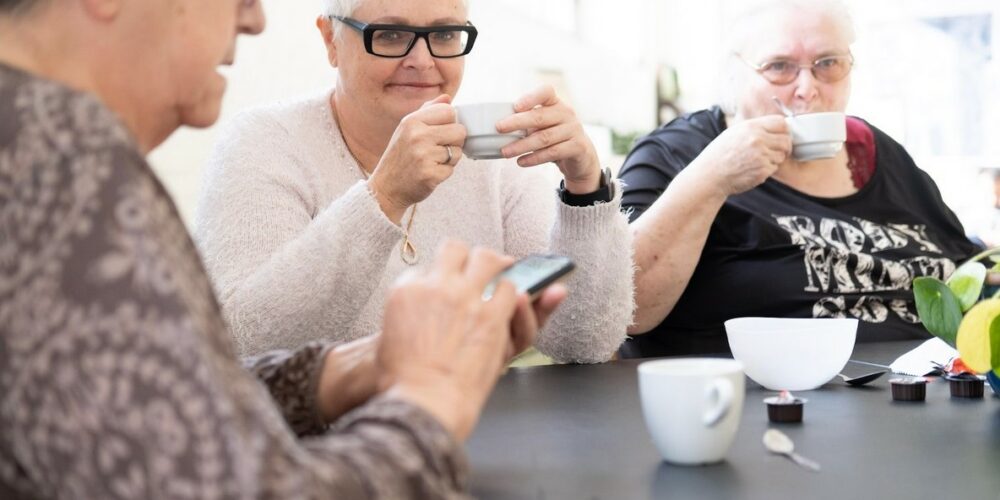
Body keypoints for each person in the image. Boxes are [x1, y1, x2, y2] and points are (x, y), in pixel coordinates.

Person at [0, 0, 565, 497]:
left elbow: (165, 406)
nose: (254, 16)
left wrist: (351, 369)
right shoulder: (56, 162)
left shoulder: (40, 141)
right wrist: (431, 397)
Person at [194, 0, 633, 362]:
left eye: (443, 35)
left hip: (468, 433)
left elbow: (583, 342)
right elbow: (242, 346)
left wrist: (585, 187)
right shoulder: (262, 143)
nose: (421, 62)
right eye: (389, 35)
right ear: (331, 40)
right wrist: (383, 196)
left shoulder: (491, 153)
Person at [618, 0, 980, 357]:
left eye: (828, 63)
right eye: (779, 66)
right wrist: (714, 176)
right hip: (768, 401)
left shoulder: (875, 151)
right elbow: (623, 308)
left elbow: (968, 264)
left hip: (927, 388)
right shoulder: (678, 153)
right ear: (735, 74)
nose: (808, 88)